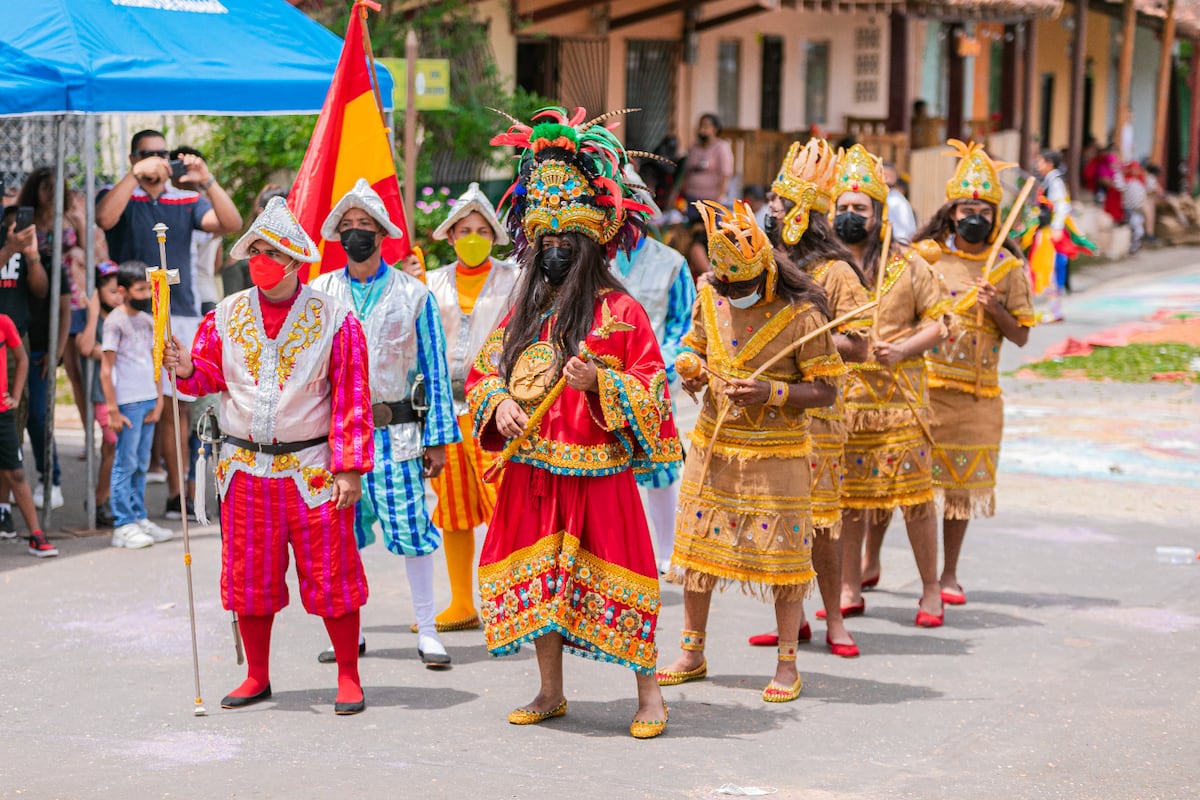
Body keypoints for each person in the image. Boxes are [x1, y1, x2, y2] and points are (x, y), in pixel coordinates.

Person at [468, 105, 680, 737]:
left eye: (567, 243)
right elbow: (483, 372)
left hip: (598, 474)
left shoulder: (621, 311)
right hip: (533, 472)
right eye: (546, 243)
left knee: (625, 580)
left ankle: (650, 697)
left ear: (591, 245)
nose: (555, 251)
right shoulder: (524, 309)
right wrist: (499, 402)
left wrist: (602, 385)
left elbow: (654, 390)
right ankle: (550, 690)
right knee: (543, 588)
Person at [164, 197, 374, 715]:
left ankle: (348, 675)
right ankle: (257, 675)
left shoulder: (335, 319)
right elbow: (205, 377)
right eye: (254, 250)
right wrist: (183, 364)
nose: (261, 259)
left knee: (332, 574)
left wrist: (349, 467)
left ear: (295, 259)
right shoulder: (226, 315)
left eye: (271, 250)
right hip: (243, 469)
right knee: (248, 577)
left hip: (313, 470)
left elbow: (353, 398)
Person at [658, 196, 844, 702]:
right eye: (726, 285)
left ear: (765, 268)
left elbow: (827, 389)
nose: (733, 294)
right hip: (713, 447)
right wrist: (691, 368)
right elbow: (692, 346)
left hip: (777, 454)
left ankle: (788, 664)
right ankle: (691, 652)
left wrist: (774, 393)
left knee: (784, 558)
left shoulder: (802, 315)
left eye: (742, 286)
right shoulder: (711, 298)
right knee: (697, 552)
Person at [311, 179, 460, 667]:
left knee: (414, 527)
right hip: (336, 439)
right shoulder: (320, 293)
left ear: (381, 233)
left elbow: (435, 368)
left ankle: (429, 629)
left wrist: (437, 440)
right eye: (348, 227)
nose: (356, 234)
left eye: (365, 226)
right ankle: (347, 633)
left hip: (397, 433)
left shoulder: (414, 294)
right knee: (339, 534)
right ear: (337, 235)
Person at [745, 139, 872, 657]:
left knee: (821, 523)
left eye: (777, 208)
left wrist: (808, 334)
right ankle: (790, 622)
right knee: (781, 520)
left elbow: (860, 345)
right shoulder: (765, 264)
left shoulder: (837, 273)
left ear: (800, 216)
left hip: (818, 413)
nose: (769, 215)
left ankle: (836, 620)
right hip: (774, 412)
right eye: (770, 206)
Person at [831, 142, 950, 628]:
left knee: (917, 502)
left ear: (880, 214)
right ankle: (848, 586)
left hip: (901, 399)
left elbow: (942, 323)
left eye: (860, 208)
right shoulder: (829, 267)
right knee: (849, 504)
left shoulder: (909, 264)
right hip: (845, 403)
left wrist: (904, 349)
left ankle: (930, 590)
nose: (850, 215)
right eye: (842, 207)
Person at [97, 129, 243, 523]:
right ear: (133, 158)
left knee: (177, 407)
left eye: (164, 153)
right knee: (136, 409)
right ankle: (121, 502)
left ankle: (178, 494)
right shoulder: (123, 195)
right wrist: (134, 176)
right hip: (134, 316)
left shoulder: (185, 199)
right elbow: (104, 217)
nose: (159, 160)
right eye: (149, 154)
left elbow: (230, 223)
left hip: (180, 312)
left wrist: (207, 180)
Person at [912, 141, 1035, 605]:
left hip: (976, 398)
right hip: (923, 388)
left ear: (995, 215)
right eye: (967, 207)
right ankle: (869, 566)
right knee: (905, 482)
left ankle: (948, 574)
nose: (974, 216)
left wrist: (995, 306)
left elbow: (1021, 335)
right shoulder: (926, 258)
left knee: (959, 492)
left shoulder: (1007, 266)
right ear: (952, 211)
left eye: (983, 209)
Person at [424, 181, 520, 631]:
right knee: (454, 507)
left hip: (496, 407)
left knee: (505, 505)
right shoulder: (430, 282)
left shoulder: (516, 278)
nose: (473, 236)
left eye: (481, 229)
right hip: (445, 411)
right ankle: (462, 601)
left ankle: (509, 600)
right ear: (449, 234)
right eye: (464, 229)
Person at [610, 169, 696, 575]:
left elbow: (685, 326)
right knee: (607, 471)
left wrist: (659, 371)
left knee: (660, 467)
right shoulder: (592, 258)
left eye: (630, 206)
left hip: (652, 382)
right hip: (598, 382)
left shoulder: (672, 263)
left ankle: (668, 552)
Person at [101, 261, 172, 550]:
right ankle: (123, 523)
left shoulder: (146, 321)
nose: (145, 293)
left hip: (146, 400)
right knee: (125, 463)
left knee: (141, 463)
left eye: (147, 288)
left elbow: (156, 362)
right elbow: (106, 370)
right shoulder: (114, 322)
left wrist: (158, 400)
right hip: (127, 403)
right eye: (140, 288)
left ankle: (138, 516)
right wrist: (112, 409)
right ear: (123, 290)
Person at [14, 169, 73, 511]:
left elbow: (60, 301)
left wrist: (57, 349)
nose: (51, 193)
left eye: (56, 188)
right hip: (15, 342)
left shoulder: (51, 257)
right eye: (44, 187)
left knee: (38, 415)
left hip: (39, 345)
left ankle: (49, 477)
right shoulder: (15, 243)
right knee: (14, 421)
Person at [0, 205, 49, 535]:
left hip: (15, 336)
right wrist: (9, 249)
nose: (19, 228)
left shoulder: (30, 248)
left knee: (11, 428)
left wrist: (29, 255)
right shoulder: (6, 246)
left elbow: (41, 290)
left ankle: (4, 508)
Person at [0, 306, 55, 556]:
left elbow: (22, 359)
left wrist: (16, 394)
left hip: (3, 413)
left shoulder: (5, 322)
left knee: (17, 473)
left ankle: (36, 535)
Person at [75, 261, 121, 528]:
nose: (117, 296)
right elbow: (84, 346)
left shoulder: (125, 316)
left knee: (114, 449)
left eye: (119, 291)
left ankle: (104, 499)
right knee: (112, 443)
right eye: (111, 291)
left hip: (124, 392)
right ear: (98, 292)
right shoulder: (96, 318)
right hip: (102, 394)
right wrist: (92, 312)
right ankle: (100, 499)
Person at [222, 185, 287, 297]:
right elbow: (233, 303)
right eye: (255, 252)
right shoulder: (238, 258)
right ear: (261, 213)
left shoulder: (296, 252)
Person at [668, 113, 735, 222]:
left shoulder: (722, 148)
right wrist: (675, 194)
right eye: (700, 125)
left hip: (711, 201)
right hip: (692, 199)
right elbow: (685, 173)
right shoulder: (694, 147)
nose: (701, 129)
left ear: (715, 129)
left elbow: (725, 175)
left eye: (705, 126)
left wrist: (718, 200)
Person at [883, 162, 918, 242]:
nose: (885, 179)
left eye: (888, 176)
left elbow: (905, 231)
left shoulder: (898, 201)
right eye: (883, 175)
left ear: (895, 178)